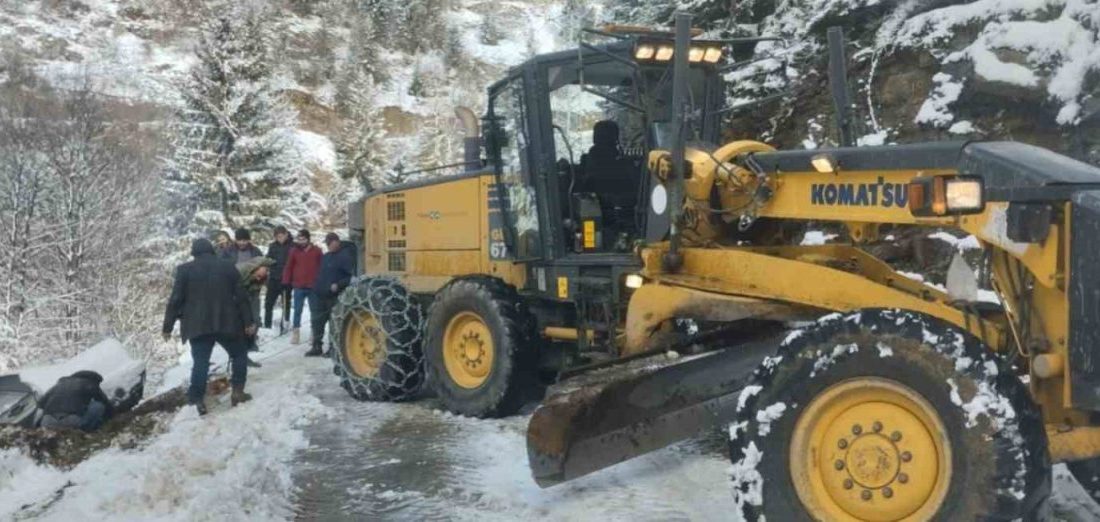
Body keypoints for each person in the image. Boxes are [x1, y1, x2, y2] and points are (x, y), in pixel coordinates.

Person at [162, 238, 255, 415]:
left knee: (200, 362)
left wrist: (167, 327)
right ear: (211, 250)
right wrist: (248, 322)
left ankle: (196, 401)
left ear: (194, 253)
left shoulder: (184, 270)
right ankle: (237, 392)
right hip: (227, 322)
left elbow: (175, 300)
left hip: (197, 325)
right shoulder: (228, 266)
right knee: (239, 354)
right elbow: (242, 297)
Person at [307, 232, 356, 357]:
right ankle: (316, 346)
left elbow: (352, 277)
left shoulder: (346, 257)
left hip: (335, 296)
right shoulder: (326, 256)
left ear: (337, 242)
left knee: (334, 323)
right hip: (319, 294)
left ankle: (333, 348)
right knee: (317, 321)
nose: (329, 246)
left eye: (331, 243)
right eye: (327, 244)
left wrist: (338, 285)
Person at [283, 229, 322, 346]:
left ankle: (314, 332)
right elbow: (289, 266)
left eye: (303, 239)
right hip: (298, 285)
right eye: (299, 239)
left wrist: (321, 281)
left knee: (314, 310)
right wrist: (286, 280)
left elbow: (322, 266)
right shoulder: (294, 251)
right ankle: (296, 332)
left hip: (313, 285)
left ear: (308, 239)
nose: (301, 242)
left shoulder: (317, 251)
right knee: (297, 310)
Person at [38, 370, 114, 431]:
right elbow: (104, 402)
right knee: (98, 405)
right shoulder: (89, 383)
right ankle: (87, 431)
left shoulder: (59, 384)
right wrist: (112, 416)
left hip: (47, 422)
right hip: (71, 422)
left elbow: (41, 404)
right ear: (94, 380)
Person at [237, 256, 275, 368]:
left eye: (266, 272)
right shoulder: (240, 270)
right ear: (256, 268)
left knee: (255, 321)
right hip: (237, 297)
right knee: (240, 325)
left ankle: (248, 348)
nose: (259, 279)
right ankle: (240, 356)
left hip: (252, 296)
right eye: (257, 276)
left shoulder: (265, 274)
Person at [264, 226, 293, 331]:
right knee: (268, 303)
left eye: (281, 236)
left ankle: (285, 323)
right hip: (274, 278)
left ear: (286, 234)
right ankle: (267, 325)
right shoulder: (272, 246)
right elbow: (268, 259)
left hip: (286, 279)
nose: (279, 238)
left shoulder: (292, 246)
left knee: (286, 303)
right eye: (277, 237)